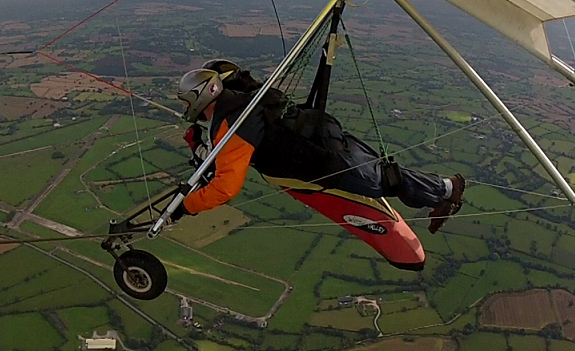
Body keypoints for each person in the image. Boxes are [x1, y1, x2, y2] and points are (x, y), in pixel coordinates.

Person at [172, 61, 465, 234]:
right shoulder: (239, 101)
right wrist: (200, 147)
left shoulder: (231, 125)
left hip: (320, 159)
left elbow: (226, 187)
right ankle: (439, 195)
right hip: (320, 132)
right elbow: (224, 153)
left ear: (199, 98)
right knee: (383, 172)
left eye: (187, 101)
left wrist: (188, 205)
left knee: (381, 181)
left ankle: (447, 190)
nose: (186, 108)